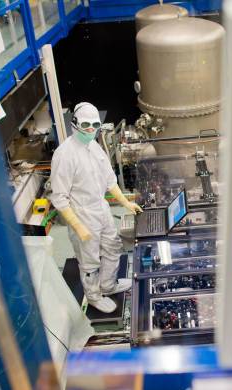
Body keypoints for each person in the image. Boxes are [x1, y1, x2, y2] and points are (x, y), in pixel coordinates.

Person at [49, 102, 142, 313]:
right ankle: (93, 296)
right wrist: (78, 226)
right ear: (74, 124)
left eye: (94, 125)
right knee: (89, 260)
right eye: (86, 124)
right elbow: (59, 198)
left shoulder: (95, 147)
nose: (91, 129)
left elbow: (110, 181)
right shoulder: (64, 155)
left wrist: (126, 202)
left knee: (113, 246)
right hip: (82, 215)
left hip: (101, 209)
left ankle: (108, 285)